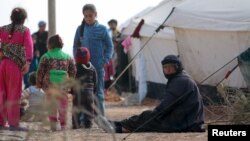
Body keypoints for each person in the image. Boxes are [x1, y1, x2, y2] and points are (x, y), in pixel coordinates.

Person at [110, 55, 205, 133]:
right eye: (165, 67)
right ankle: (120, 124)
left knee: (149, 117)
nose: (167, 70)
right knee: (148, 116)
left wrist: (155, 113)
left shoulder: (180, 81)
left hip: (183, 122)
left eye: (170, 67)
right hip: (186, 119)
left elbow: (167, 104)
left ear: (177, 67)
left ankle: (119, 128)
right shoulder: (179, 78)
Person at [73, 4, 113, 116]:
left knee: (99, 94)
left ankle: (102, 119)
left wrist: (105, 60)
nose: (88, 18)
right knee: (82, 94)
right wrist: (77, 61)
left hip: (98, 67)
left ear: (96, 15)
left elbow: (110, 47)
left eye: (90, 16)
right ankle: (83, 119)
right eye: (86, 16)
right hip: (83, 69)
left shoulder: (103, 29)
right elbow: (75, 46)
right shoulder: (80, 29)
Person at [0, 7, 33, 131]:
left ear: (11, 18)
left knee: (1, 94)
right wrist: (28, 62)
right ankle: (14, 124)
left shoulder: (2, 29)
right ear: (24, 19)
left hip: (2, 65)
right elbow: (29, 47)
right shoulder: (25, 30)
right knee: (14, 95)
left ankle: (1, 122)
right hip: (14, 66)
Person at [37, 34, 76, 130]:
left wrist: (39, 83)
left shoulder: (46, 56)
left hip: (49, 86)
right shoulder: (68, 57)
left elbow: (40, 71)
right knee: (63, 104)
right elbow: (73, 71)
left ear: (49, 45)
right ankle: (63, 124)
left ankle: (53, 124)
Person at [72, 47, 97, 129]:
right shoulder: (92, 67)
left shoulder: (75, 68)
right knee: (89, 109)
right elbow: (95, 81)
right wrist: (94, 91)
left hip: (78, 93)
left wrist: (72, 91)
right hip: (89, 93)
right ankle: (88, 124)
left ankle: (76, 124)